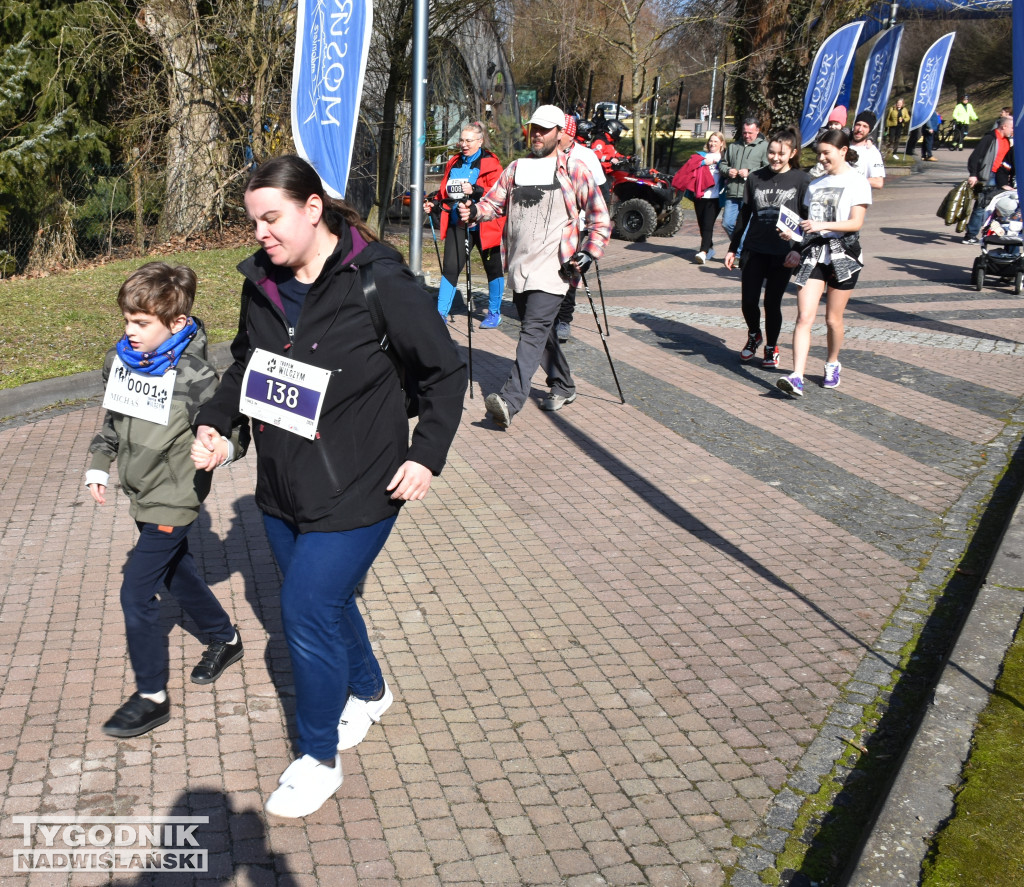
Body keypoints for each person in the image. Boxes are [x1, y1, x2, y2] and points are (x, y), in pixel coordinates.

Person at [193, 155, 466, 818]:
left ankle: (317, 758)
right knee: (328, 601)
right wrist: (216, 423)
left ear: (313, 209)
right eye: (254, 220)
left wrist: (427, 454)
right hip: (283, 489)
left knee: (305, 610)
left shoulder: (379, 283)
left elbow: (445, 372)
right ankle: (369, 692)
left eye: (271, 217)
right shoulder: (259, 282)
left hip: (364, 485)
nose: (259, 232)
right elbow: (245, 366)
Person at [86, 262, 248, 739]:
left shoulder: (197, 375)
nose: (129, 331)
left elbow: (235, 432)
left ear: (176, 323)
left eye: (141, 323)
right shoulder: (120, 363)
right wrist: (99, 462)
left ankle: (151, 697)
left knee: (136, 590)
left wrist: (219, 450)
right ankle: (225, 637)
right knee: (178, 574)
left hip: (175, 499)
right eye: (126, 320)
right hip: (140, 491)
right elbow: (113, 424)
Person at [458, 104, 611, 427]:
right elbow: (493, 204)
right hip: (520, 268)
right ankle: (564, 384)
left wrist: (588, 253)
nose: (537, 134)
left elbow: (600, 218)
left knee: (531, 332)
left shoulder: (574, 169)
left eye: (545, 129)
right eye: (534, 128)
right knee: (539, 332)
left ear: (560, 134)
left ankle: (509, 401)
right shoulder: (517, 168)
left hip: (556, 268)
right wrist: (474, 212)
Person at [775, 129, 872, 397]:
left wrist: (821, 225)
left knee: (832, 319)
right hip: (814, 253)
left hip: (844, 254)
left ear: (842, 151)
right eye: (819, 153)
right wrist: (793, 236)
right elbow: (807, 224)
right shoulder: (815, 184)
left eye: (827, 153)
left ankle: (832, 362)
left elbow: (856, 223)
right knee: (804, 316)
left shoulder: (857, 182)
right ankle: (797, 376)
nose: (822, 158)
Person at [724, 127, 810, 367]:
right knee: (748, 301)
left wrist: (798, 247)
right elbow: (745, 214)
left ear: (792, 153)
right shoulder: (755, 178)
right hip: (755, 249)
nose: (775, 158)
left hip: (784, 253)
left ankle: (771, 346)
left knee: (772, 303)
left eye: (781, 154)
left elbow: (808, 218)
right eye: (772, 152)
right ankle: (754, 335)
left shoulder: (802, 180)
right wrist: (733, 248)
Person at [423, 121, 506, 328]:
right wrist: (433, 203)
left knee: (492, 268)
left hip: (485, 224)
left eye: (469, 140)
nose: (464, 144)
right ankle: (440, 313)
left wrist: (475, 190)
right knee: (451, 267)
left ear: (479, 141)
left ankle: (494, 312)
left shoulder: (491, 163)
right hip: (458, 222)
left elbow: (498, 193)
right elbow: (445, 193)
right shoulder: (455, 162)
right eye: (462, 140)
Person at [555, 113, 607, 343]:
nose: (555, 137)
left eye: (561, 132)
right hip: (552, 222)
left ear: (570, 134)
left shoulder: (586, 156)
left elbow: (601, 191)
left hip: (579, 223)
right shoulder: (545, 156)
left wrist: (596, 220)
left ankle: (564, 319)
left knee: (571, 271)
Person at [718, 117, 769, 262]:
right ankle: (742, 249)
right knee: (727, 223)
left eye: (750, 133)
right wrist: (728, 171)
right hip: (733, 192)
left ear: (758, 131)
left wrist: (750, 171)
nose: (747, 135)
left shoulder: (764, 147)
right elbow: (722, 165)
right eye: (745, 132)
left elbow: (768, 167)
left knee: (745, 227)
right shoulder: (734, 146)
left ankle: (740, 254)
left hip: (751, 194)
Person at [671, 131, 725, 265]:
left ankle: (703, 251)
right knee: (702, 224)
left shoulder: (725, 158)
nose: (712, 144)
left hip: (715, 197)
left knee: (708, 224)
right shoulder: (700, 156)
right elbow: (689, 167)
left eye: (715, 142)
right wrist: (704, 163)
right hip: (700, 195)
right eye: (711, 141)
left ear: (722, 144)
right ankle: (710, 248)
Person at [963, 115, 1014, 244]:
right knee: (981, 205)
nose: (1013, 130)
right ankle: (970, 235)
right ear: (1004, 126)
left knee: (996, 207)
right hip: (986, 176)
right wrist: (973, 174)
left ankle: (991, 233)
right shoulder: (990, 138)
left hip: (999, 177)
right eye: (1012, 127)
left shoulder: (1007, 140)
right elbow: (975, 157)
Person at [848, 111, 886, 189]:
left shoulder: (872, 152)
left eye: (865, 126)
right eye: (858, 125)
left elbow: (878, 183)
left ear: (869, 130)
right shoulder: (842, 144)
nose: (860, 129)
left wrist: (851, 179)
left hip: (857, 198)